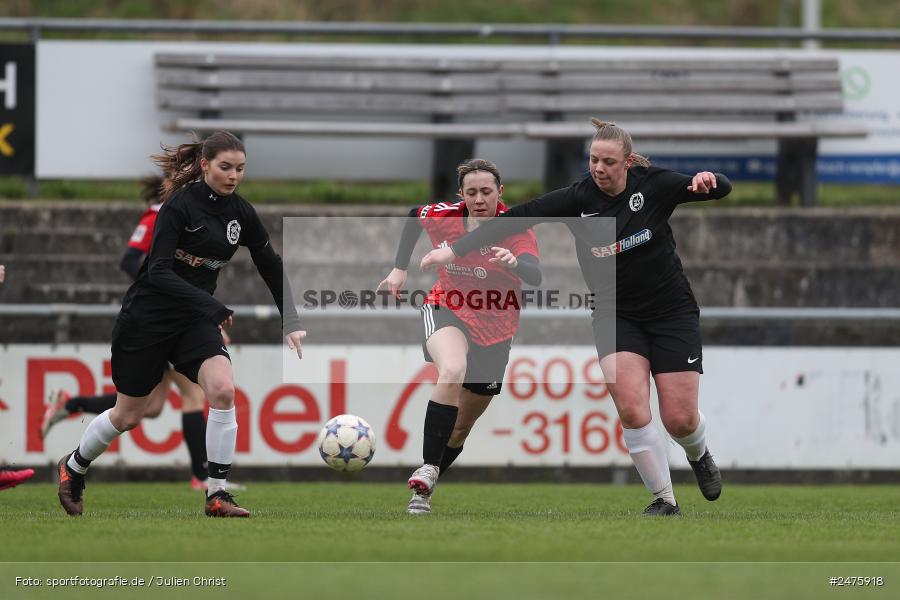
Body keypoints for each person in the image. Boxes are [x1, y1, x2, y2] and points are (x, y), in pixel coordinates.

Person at [420, 119, 730, 517]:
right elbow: (518, 216)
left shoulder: (655, 184)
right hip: (614, 312)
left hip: (672, 312)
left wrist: (710, 180)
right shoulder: (578, 198)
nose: (598, 168)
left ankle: (698, 454)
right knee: (632, 407)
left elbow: (720, 187)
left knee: (680, 419)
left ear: (628, 162)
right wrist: (456, 250)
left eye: (607, 162)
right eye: (593, 160)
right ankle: (664, 500)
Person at [56, 131, 305, 518]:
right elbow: (156, 272)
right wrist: (212, 305)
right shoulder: (178, 207)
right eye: (225, 167)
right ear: (204, 165)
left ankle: (217, 494)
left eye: (240, 168)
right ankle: (73, 467)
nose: (233, 175)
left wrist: (290, 319)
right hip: (147, 319)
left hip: (192, 320)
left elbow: (270, 264)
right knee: (130, 415)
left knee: (222, 389)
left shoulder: (241, 213)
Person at [41, 176, 243, 491]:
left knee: (149, 407)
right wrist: (162, 290)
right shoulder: (162, 213)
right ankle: (202, 477)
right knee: (190, 396)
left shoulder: (198, 215)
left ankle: (72, 405)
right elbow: (129, 260)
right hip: (154, 320)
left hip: (181, 318)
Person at [379, 158, 541, 514]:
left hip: (497, 327)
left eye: (486, 191)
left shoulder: (516, 228)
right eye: (472, 192)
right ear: (461, 195)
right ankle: (422, 480)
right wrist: (398, 269)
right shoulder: (445, 216)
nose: (479, 199)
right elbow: (413, 214)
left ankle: (430, 478)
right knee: (452, 369)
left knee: (459, 430)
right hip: (446, 307)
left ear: (501, 192)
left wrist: (515, 263)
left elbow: (536, 274)